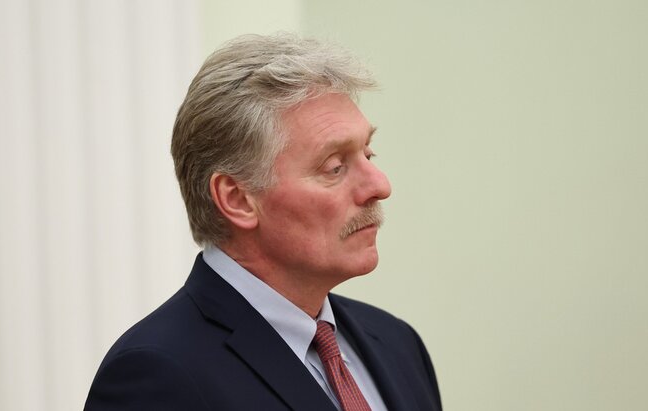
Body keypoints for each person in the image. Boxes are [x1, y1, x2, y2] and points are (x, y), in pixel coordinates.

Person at [84, 33, 441, 411]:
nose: (380, 186)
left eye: (368, 154)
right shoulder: (159, 376)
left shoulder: (398, 344)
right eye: (335, 167)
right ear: (237, 199)